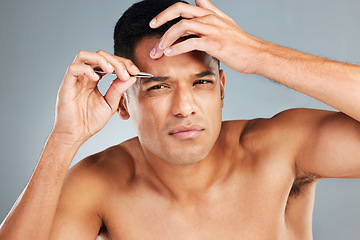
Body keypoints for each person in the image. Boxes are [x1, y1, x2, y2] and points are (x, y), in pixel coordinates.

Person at [1, 0, 360, 239]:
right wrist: (63, 139)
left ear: (221, 89)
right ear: (123, 104)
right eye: (158, 87)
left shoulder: (283, 147)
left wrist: (257, 55)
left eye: (201, 82)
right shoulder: (98, 185)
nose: (184, 107)